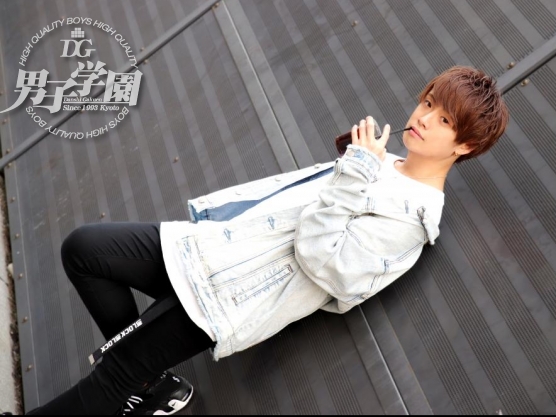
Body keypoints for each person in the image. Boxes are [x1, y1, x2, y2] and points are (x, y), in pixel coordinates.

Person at [27, 65, 509, 415]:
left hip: (232, 296)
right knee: (85, 250)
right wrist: (360, 163)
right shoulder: (383, 161)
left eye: (445, 121)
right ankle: (147, 382)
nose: (425, 117)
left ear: (465, 145)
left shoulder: (412, 220)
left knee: (113, 373)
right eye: (429, 103)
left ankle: (133, 380)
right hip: (210, 248)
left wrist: (356, 171)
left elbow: (325, 263)